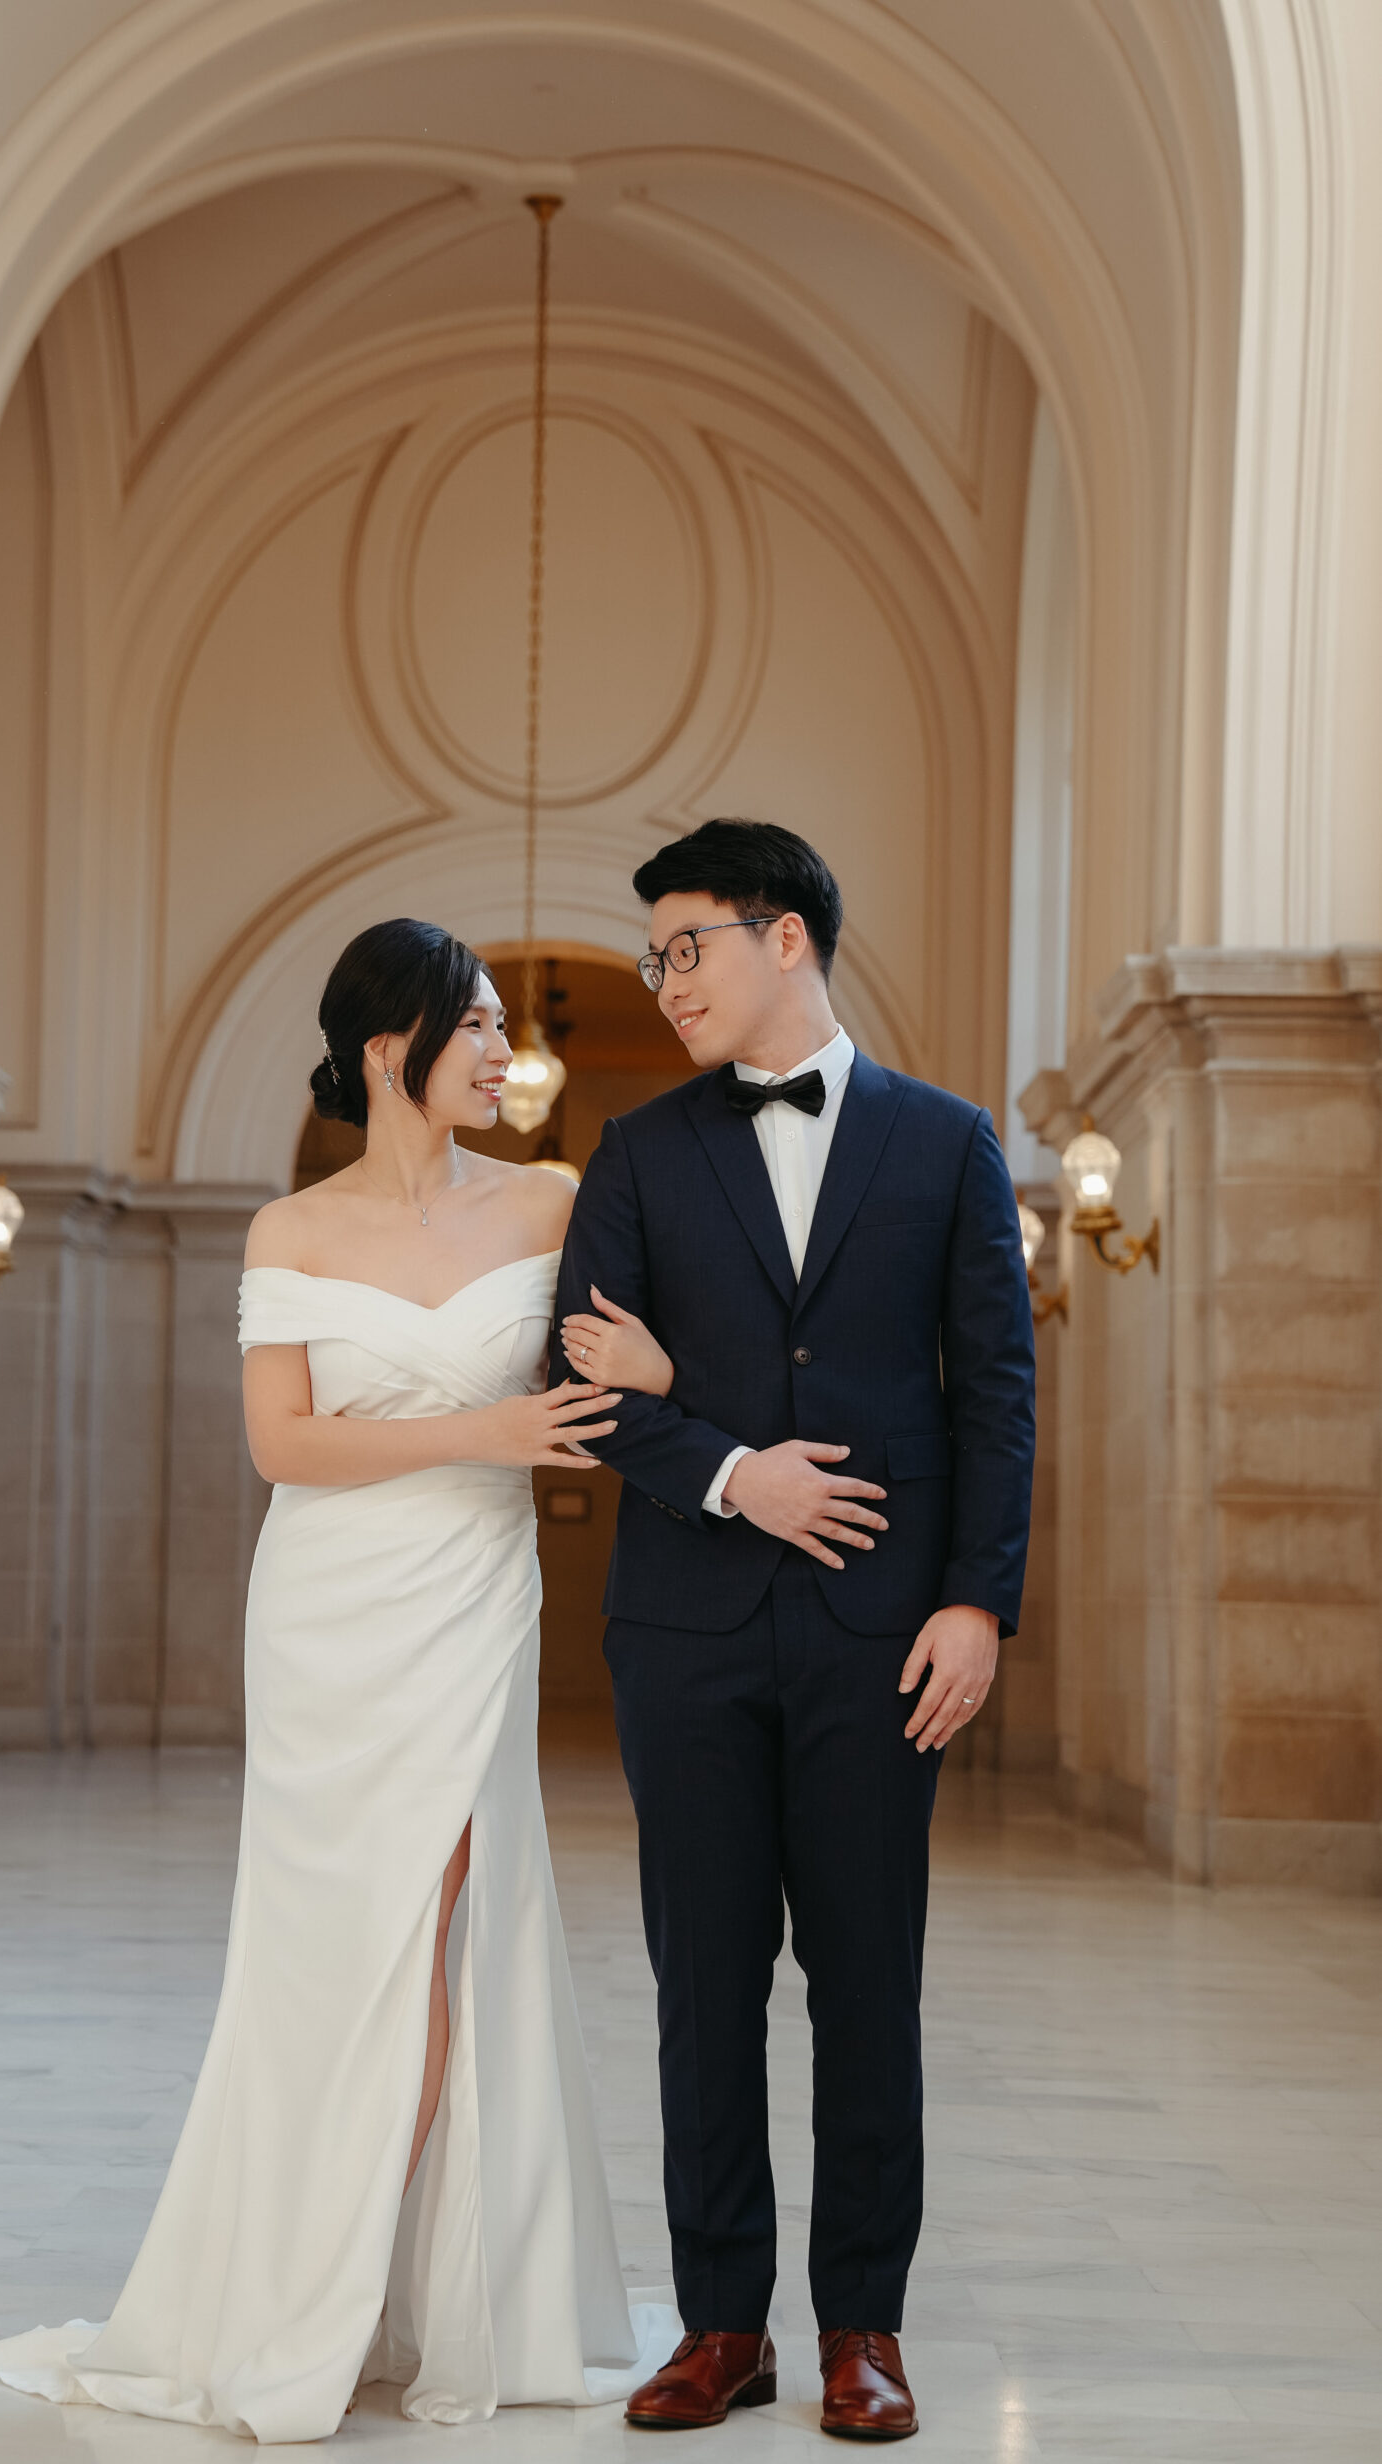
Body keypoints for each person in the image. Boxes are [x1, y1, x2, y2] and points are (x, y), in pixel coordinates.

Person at [0, 917, 678, 2441]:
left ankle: (395, 2288)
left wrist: (660, 1384)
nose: (502, 1051)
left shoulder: (557, 1201)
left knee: (441, 1930)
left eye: (502, 1026)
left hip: (473, 1602)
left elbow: (653, 1361)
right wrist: (479, 1434)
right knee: (327, 1942)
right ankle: (305, 2290)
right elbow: (282, 1445)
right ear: (388, 1048)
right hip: (325, 1611)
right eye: (475, 1026)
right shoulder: (289, 1231)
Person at [552, 820, 1036, 2442]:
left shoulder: (950, 1143)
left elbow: (996, 1396)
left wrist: (977, 1599)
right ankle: (718, 2325)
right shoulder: (635, 1151)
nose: (665, 979)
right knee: (703, 1980)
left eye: (685, 946)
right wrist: (734, 1471)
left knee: (867, 1982)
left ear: (786, 941)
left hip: (885, 1636)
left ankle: (864, 2331)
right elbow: (586, 1391)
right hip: (682, 1632)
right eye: (654, 957)